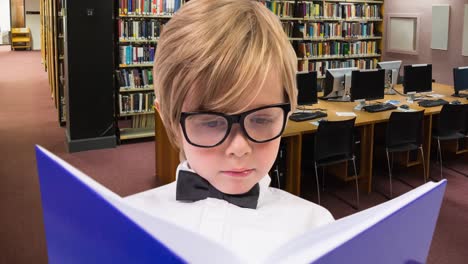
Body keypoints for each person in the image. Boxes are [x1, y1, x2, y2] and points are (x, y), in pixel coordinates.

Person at [125, 0, 334, 260]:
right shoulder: (127, 222)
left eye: (261, 119)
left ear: (287, 112)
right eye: (211, 122)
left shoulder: (317, 227)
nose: (239, 148)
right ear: (170, 121)